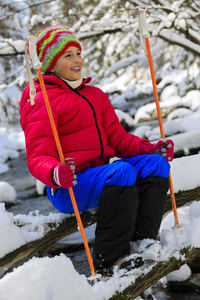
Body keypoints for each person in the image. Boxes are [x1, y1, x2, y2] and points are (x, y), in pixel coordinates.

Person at [20, 28, 174, 276]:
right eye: (68, 55)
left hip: (102, 176)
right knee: (121, 171)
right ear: (49, 64)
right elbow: (37, 155)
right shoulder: (40, 100)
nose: (77, 59)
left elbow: (119, 139)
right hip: (68, 186)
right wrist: (55, 173)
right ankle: (111, 261)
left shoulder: (95, 95)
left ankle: (143, 242)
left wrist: (152, 149)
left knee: (156, 165)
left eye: (78, 53)